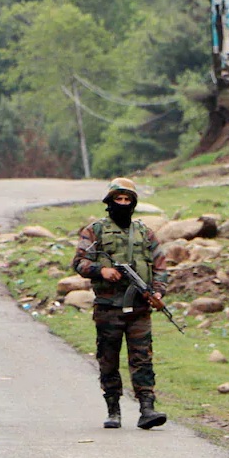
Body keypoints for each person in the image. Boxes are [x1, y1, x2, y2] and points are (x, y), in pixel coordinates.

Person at [72, 178, 169, 431]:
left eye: (128, 200)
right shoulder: (95, 231)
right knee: (108, 359)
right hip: (108, 308)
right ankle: (113, 409)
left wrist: (158, 293)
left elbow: (159, 267)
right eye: (119, 199)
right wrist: (100, 270)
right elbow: (79, 262)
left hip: (139, 308)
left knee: (142, 359)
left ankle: (147, 408)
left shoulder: (145, 233)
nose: (123, 204)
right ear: (110, 201)